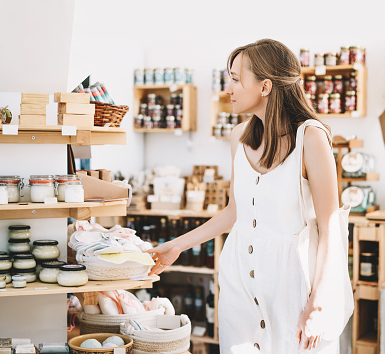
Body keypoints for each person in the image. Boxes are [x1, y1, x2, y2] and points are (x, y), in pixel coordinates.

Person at [146, 39, 343, 353]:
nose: (229, 88)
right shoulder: (238, 136)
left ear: (265, 86)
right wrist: (177, 245)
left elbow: (331, 227)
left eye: (236, 79)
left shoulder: (311, 138)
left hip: (292, 285)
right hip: (240, 279)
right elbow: (233, 213)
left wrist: (318, 303)